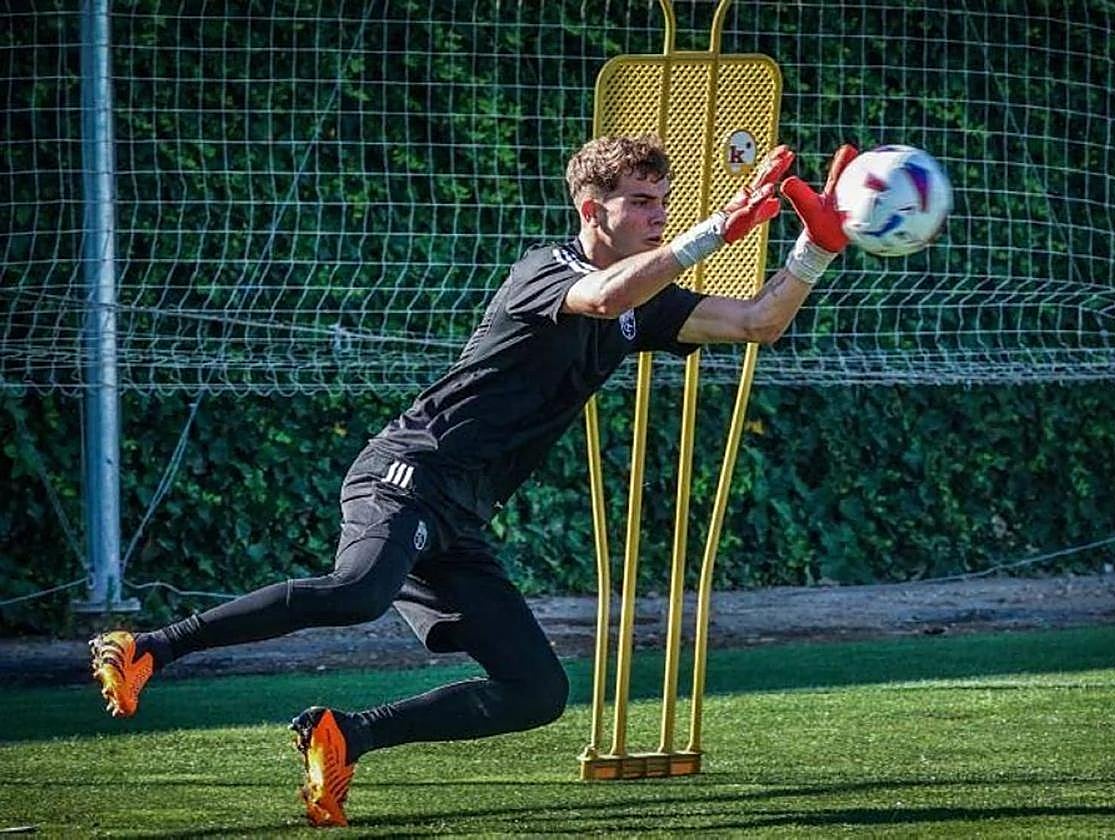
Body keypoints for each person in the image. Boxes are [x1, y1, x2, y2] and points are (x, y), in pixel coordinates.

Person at [90, 135, 858, 827]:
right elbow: (602, 296)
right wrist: (718, 228)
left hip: (458, 515)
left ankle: (346, 736)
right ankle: (149, 647)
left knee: (535, 692)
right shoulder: (547, 270)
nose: (659, 214)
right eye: (642, 202)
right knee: (358, 593)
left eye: (664, 202)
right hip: (407, 473)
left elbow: (757, 322)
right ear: (594, 210)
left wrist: (814, 251)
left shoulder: (644, 307)